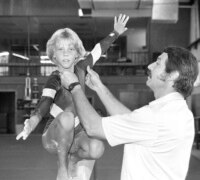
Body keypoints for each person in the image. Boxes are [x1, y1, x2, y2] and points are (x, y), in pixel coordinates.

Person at [16, 14, 129, 180]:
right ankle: (63, 168)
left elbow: (99, 49)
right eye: (60, 49)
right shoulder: (54, 78)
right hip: (54, 135)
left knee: (97, 148)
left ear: (77, 54)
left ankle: (72, 159)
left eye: (70, 49)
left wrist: (115, 32)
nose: (66, 53)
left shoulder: (82, 69)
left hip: (77, 133)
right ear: (54, 56)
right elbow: (45, 102)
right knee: (68, 117)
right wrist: (32, 122)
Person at [60, 46, 199, 180]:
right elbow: (130, 121)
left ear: (172, 76)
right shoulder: (179, 112)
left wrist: (74, 87)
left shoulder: (157, 117)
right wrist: (100, 87)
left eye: (157, 63)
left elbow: (93, 127)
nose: (150, 66)